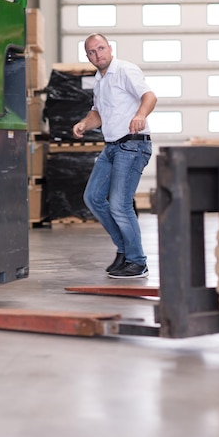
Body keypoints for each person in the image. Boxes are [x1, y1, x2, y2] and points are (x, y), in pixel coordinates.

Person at [72, 33, 157, 278]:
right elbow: (98, 112)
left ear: (110, 48)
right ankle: (125, 250)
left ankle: (137, 261)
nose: (98, 55)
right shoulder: (100, 80)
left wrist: (140, 115)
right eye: (92, 52)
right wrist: (84, 124)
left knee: (120, 204)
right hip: (111, 147)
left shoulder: (125, 70)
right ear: (87, 57)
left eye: (101, 48)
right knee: (93, 197)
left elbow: (149, 96)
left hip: (132, 146)